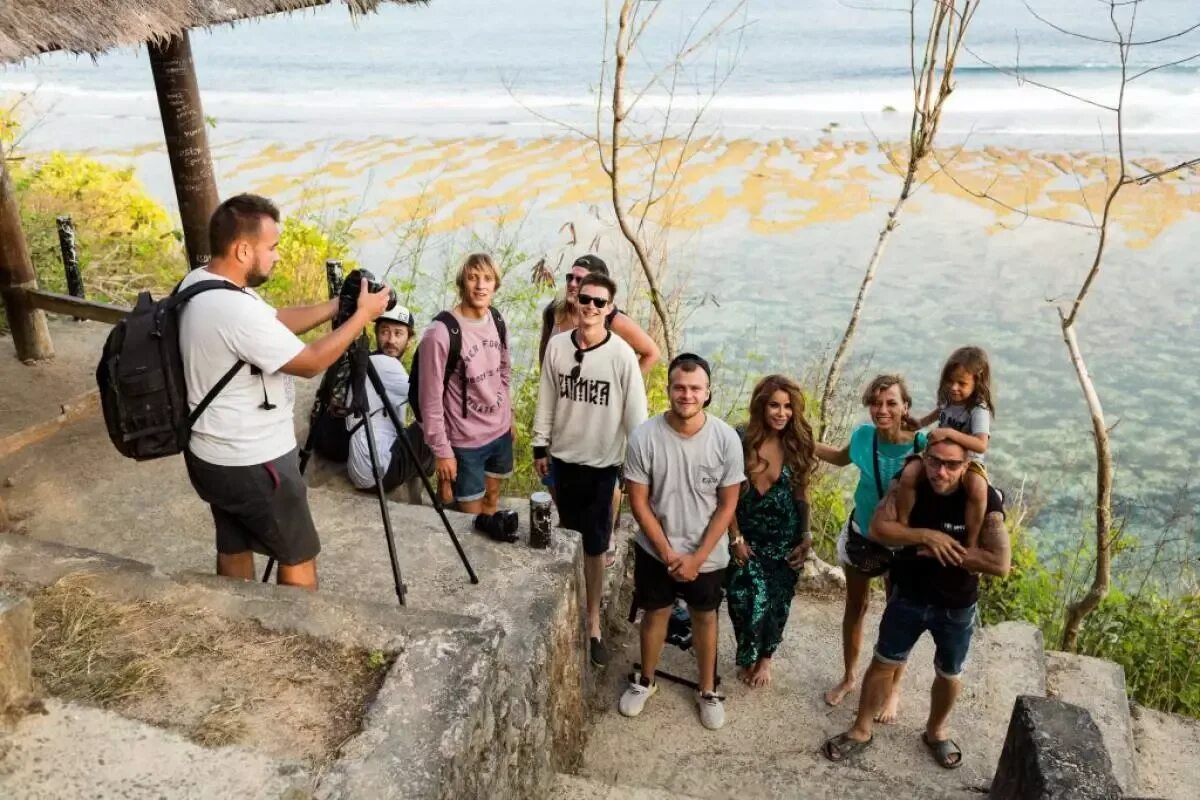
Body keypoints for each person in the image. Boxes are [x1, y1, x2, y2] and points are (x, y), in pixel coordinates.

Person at [179, 193, 392, 590]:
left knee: (234, 542)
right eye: (271, 247)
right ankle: (295, 637)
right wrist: (364, 315)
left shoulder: (202, 283)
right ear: (243, 249)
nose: (277, 256)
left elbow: (273, 321)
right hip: (254, 461)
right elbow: (311, 362)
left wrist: (337, 306)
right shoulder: (235, 311)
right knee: (297, 554)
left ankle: (238, 620)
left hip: (210, 455)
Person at [821, 439, 1010, 770]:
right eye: (935, 461)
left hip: (956, 603)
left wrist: (955, 553)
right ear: (925, 458)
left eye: (952, 465)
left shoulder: (984, 496)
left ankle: (936, 731)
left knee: (949, 673)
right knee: (883, 662)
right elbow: (879, 527)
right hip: (908, 592)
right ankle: (861, 729)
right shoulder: (910, 482)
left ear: (966, 466)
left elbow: (1000, 562)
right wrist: (926, 536)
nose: (941, 471)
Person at [618, 353, 744, 731]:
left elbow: (727, 505)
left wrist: (696, 557)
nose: (686, 395)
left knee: (706, 617)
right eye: (679, 387)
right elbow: (638, 501)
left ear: (707, 392)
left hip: (706, 552)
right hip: (657, 548)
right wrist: (670, 553)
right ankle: (646, 680)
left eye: (695, 388)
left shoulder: (724, 439)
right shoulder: (645, 437)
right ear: (669, 389)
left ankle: (707, 689)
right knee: (654, 612)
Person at [532, 273, 648, 668]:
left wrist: (637, 471)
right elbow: (547, 395)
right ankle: (565, 606)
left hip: (602, 464)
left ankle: (593, 621)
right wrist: (539, 443)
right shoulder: (558, 347)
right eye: (586, 299)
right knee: (564, 534)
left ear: (610, 308)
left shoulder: (621, 356)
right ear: (576, 300)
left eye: (600, 302)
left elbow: (637, 418)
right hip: (564, 459)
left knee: (596, 546)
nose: (592, 307)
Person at [815, 374, 927, 721]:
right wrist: (797, 438)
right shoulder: (864, 437)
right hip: (864, 536)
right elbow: (837, 458)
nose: (882, 410)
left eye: (891, 403)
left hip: (903, 545)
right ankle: (849, 676)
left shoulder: (922, 444)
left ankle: (893, 689)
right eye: (876, 403)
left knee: (899, 616)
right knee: (856, 607)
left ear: (905, 407)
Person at [726, 375, 816, 689]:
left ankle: (766, 658)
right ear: (762, 406)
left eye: (788, 407)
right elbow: (726, 494)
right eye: (775, 405)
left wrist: (806, 536)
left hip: (784, 539)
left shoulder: (798, 444)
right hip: (746, 535)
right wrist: (735, 536)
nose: (781, 413)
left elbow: (802, 494)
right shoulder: (739, 439)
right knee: (743, 597)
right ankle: (748, 651)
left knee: (777, 602)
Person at [416, 252, 515, 535]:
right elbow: (430, 400)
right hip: (465, 441)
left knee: (492, 503)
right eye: (473, 278)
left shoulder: (496, 319)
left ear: (496, 284)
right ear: (462, 283)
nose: (481, 286)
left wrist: (509, 417)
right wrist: (442, 451)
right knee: (469, 524)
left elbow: (505, 370)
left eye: (487, 279)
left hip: (499, 433)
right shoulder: (441, 333)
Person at [904, 346, 995, 550]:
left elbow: (981, 444)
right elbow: (940, 412)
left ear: (977, 382)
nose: (954, 387)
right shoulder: (949, 397)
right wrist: (920, 422)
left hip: (966, 462)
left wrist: (949, 433)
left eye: (962, 383)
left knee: (978, 489)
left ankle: (972, 541)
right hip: (936, 454)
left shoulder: (977, 410)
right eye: (950, 381)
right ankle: (903, 525)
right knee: (908, 475)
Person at [345, 304, 432, 492]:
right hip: (379, 472)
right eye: (385, 332)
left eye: (398, 334)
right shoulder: (386, 365)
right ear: (376, 334)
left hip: (361, 470)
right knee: (440, 421)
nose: (391, 340)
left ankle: (428, 469)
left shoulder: (367, 362)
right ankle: (448, 489)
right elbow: (432, 399)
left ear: (409, 340)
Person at [538, 254, 660, 376]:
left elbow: (652, 353)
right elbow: (544, 360)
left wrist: (623, 387)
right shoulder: (554, 311)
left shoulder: (612, 319)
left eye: (580, 280)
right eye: (570, 277)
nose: (572, 284)